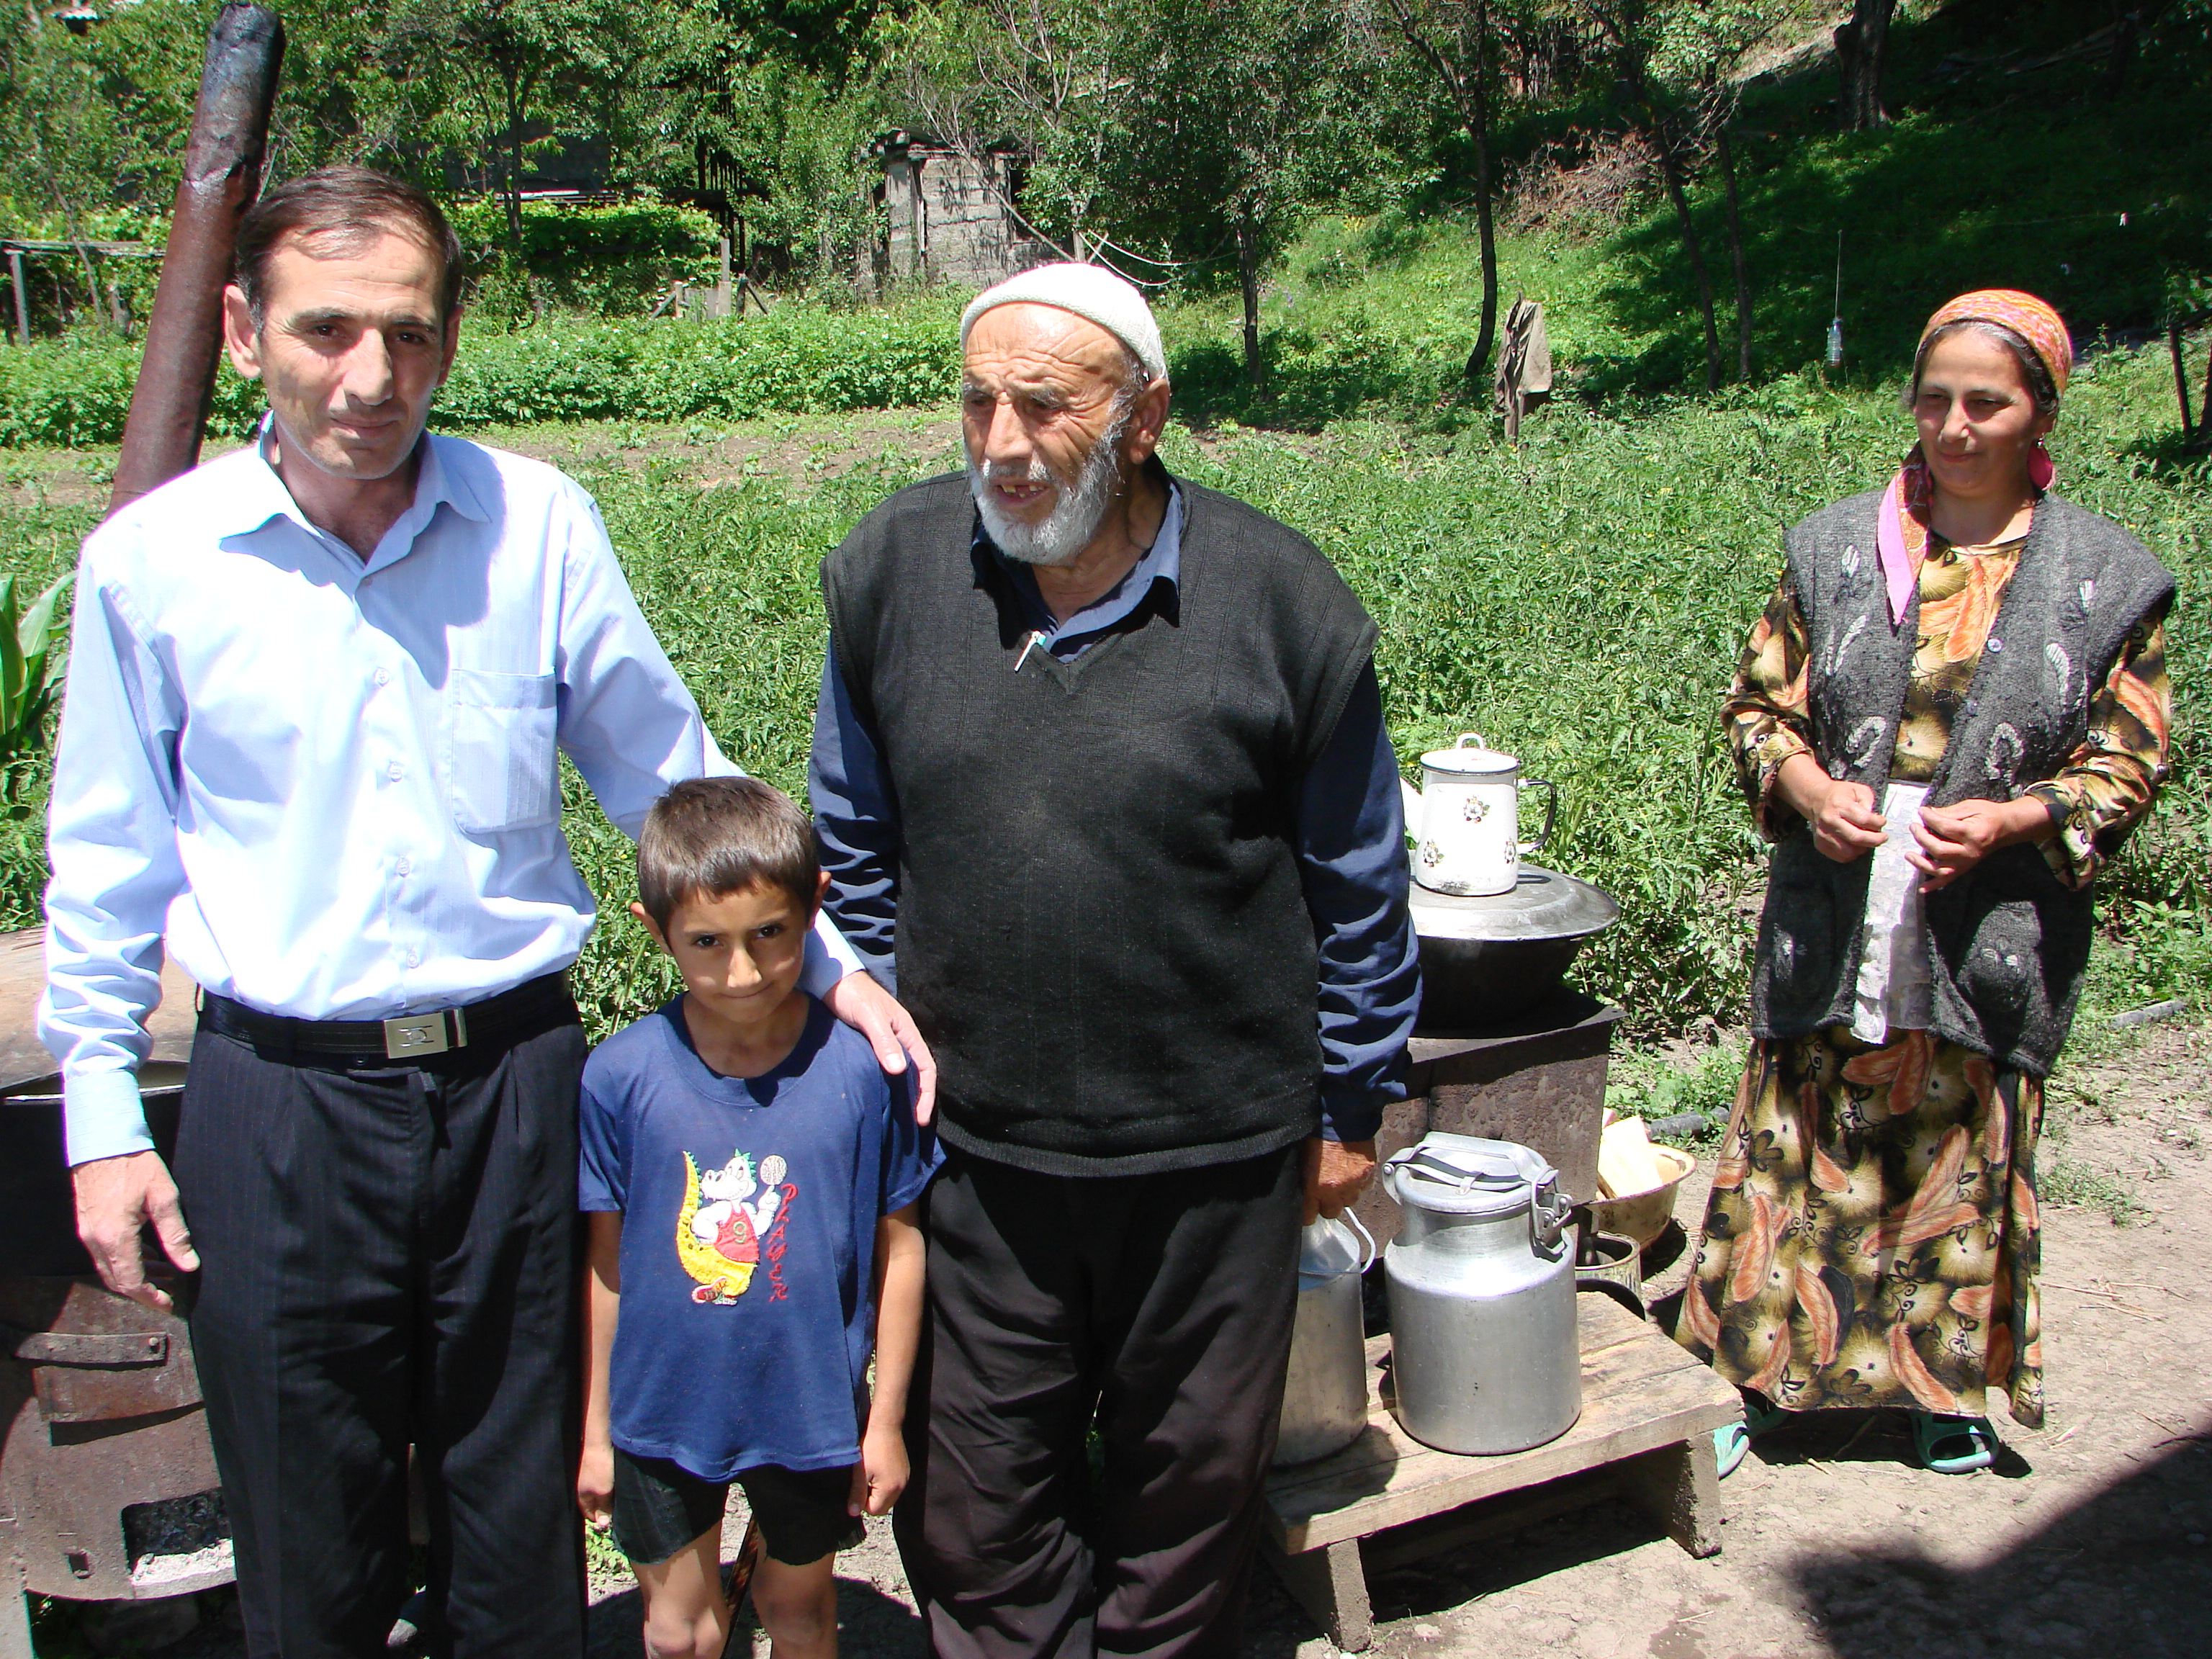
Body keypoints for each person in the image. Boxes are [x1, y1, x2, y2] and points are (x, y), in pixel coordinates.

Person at [39, 166, 930, 1658]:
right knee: (305, 1536)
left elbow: (664, 769)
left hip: (512, 1089)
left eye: (408, 332)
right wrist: (103, 1112)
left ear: (450, 340)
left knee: (520, 1530)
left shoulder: (536, 525)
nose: (370, 376)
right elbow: (107, 855)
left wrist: (826, 965)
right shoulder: (154, 565)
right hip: (279, 1104)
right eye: (326, 330)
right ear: (245, 331)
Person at [809, 261, 1421, 1657]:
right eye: (977, 402)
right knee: (977, 1501)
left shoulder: (1280, 602)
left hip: (1217, 1147)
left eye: (1044, 405)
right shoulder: (894, 572)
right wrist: (889, 1051)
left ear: (1145, 417)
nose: (1001, 442)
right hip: (974, 1148)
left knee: (1186, 1496)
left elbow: (1357, 876)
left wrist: (1350, 1102)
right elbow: (852, 835)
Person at [1680, 291, 2175, 1478]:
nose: (1955, 425)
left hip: (1983, 910)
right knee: (1801, 1129)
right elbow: (1757, 707)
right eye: (1935, 397)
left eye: (1985, 403)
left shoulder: (2105, 578)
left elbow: (2128, 757)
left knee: (1954, 1138)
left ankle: (1941, 1386)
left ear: (2039, 413)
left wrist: (2014, 817)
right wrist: (1808, 790)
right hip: (1837, 898)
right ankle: (1755, 1373)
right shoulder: (1835, 549)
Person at [576, 777, 937, 1659]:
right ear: (654, 929)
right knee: (679, 1633)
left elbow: (899, 1248)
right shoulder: (618, 1078)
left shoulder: (863, 1073)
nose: (742, 972)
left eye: (770, 934)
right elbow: (607, 1266)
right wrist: (595, 1431)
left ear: (815, 907)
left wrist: (884, 1420)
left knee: (801, 1611)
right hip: (660, 1413)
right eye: (707, 942)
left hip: (809, 1410)